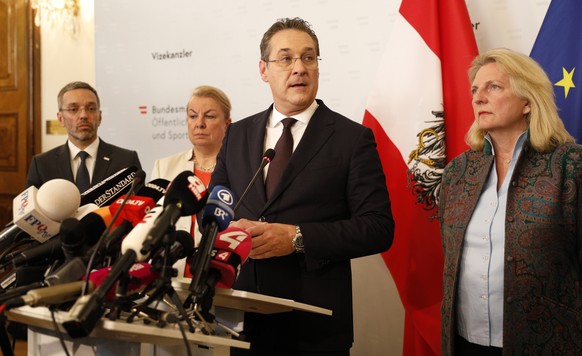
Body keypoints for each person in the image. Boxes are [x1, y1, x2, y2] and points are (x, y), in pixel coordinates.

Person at [210, 17, 394, 355]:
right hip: (244, 322)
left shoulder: (351, 139)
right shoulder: (237, 136)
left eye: (309, 58)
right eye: (286, 58)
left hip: (314, 325)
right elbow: (217, 210)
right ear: (264, 70)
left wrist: (296, 239)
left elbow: (378, 228)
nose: (299, 68)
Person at [438, 48, 582, 355]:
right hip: (464, 341)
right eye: (475, 90)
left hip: (546, 342)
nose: (478, 98)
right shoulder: (458, 172)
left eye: (494, 87)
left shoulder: (570, 166)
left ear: (528, 101)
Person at [150, 85, 232, 277]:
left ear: (227, 124)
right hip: (171, 277)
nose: (199, 123)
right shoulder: (164, 166)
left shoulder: (240, 169)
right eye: (193, 116)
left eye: (210, 116)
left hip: (218, 277)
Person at [26, 81, 142, 190]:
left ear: (100, 117)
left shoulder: (126, 160)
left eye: (91, 108)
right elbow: (31, 211)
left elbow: (140, 207)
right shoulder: (42, 164)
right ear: (61, 119)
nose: (83, 115)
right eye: (73, 109)